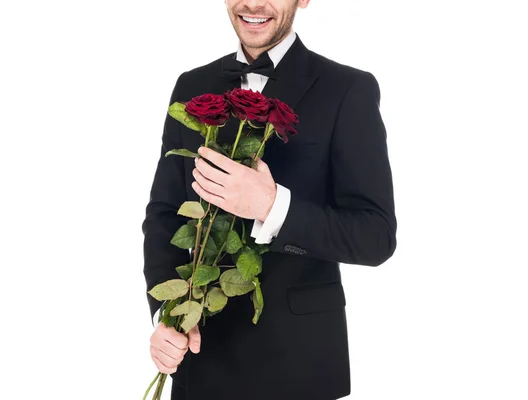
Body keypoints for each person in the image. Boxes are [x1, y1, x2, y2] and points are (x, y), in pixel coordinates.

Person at [142, 0, 397, 398]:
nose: (254, 4)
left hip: (298, 364)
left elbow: (375, 235)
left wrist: (271, 206)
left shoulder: (348, 89)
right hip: (201, 359)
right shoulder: (191, 85)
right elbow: (163, 215)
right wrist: (167, 315)